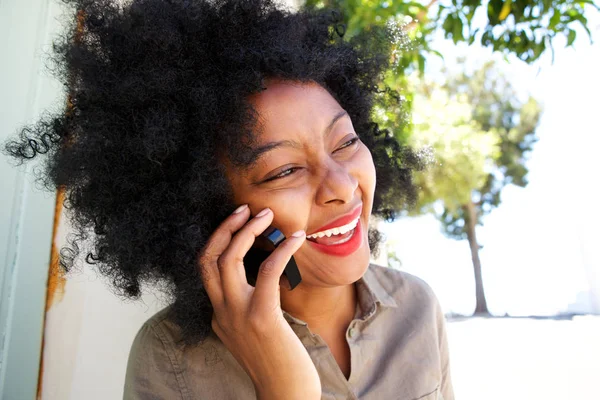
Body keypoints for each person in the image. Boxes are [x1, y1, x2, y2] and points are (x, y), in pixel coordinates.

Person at [4, 0, 454, 399]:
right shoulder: (171, 360)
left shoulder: (417, 308)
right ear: (212, 209)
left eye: (345, 142)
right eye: (285, 170)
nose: (341, 185)